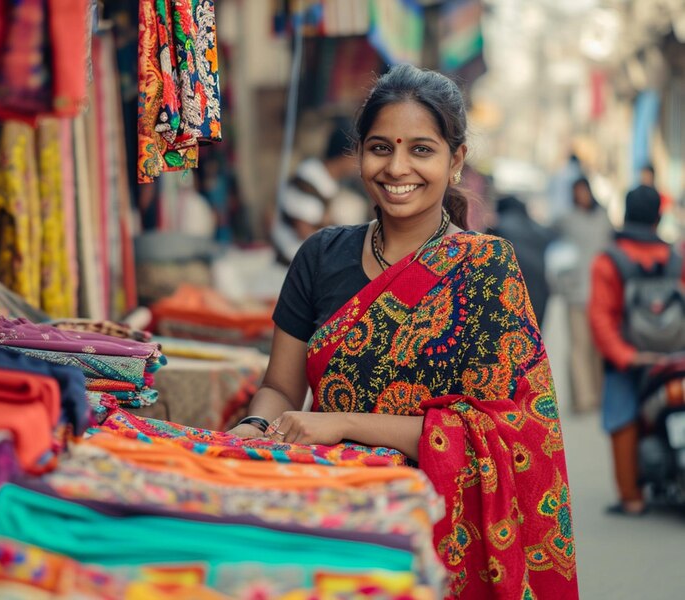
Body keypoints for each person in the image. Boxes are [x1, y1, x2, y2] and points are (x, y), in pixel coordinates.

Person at [231, 64, 577, 598]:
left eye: (421, 149)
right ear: (359, 155)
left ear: (455, 160)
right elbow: (281, 386)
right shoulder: (320, 256)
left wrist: (343, 423)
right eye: (380, 148)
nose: (396, 168)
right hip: (330, 516)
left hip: (439, 529)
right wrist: (255, 426)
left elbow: (507, 434)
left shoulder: (486, 269)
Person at [588, 184, 685, 516]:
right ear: (658, 217)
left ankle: (632, 498)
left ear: (626, 215)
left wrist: (627, 357)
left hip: (630, 360)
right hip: (675, 359)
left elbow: (601, 317)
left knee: (621, 416)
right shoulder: (675, 258)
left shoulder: (609, 260)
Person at [271, 122, 368, 263]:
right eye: (357, 156)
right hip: (291, 260)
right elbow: (303, 229)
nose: (359, 164)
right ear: (345, 155)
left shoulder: (330, 183)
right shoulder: (310, 176)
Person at [556, 177, 613, 413]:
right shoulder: (566, 220)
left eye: (584, 191)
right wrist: (563, 283)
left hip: (601, 293)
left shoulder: (603, 219)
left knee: (599, 345)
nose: (581, 196)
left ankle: (601, 394)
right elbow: (557, 252)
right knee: (579, 346)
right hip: (575, 292)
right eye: (577, 192)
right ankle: (583, 397)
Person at [487, 195, 554, 326]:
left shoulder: (499, 227)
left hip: (512, 286)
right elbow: (552, 237)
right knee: (533, 329)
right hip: (539, 287)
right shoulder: (537, 228)